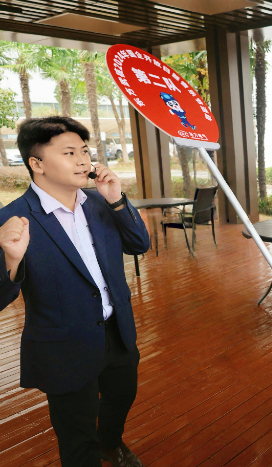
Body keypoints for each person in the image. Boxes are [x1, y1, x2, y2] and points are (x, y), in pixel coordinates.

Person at [0, 117, 150, 467]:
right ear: (36, 163)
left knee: (121, 398)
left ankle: (110, 444)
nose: (83, 160)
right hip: (64, 346)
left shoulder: (100, 202)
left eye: (84, 151)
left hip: (118, 332)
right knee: (77, 437)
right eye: (69, 153)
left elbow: (139, 245)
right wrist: (12, 259)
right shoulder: (13, 219)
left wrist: (117, 201)